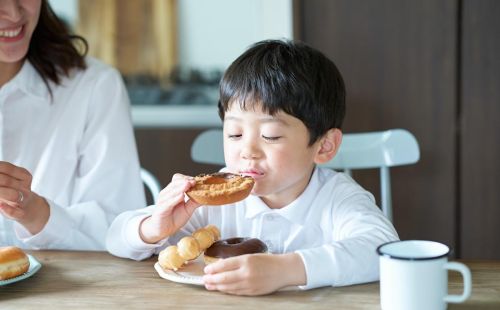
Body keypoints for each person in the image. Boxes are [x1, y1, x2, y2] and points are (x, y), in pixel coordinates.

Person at [106, 39, 398, 295]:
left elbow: (382, 251)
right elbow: (115, 237)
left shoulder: (337, 198)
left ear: (324, 146)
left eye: (270, 136)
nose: (247, 151)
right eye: (234, 134)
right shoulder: (210, 203)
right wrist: (153, 228)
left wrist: (286, 270)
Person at [0, 0, 145, 250]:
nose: (14, 12)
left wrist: (36, 214)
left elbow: (120, 231)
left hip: (70, 287)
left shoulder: (94, 87)